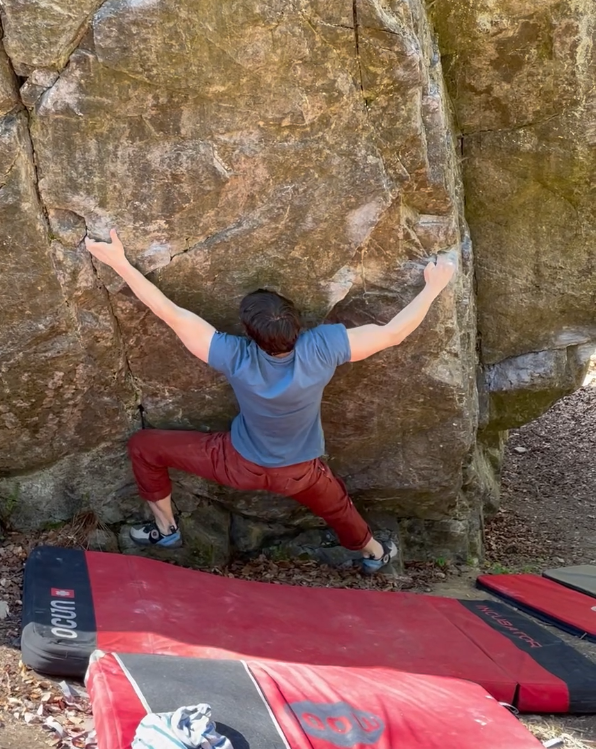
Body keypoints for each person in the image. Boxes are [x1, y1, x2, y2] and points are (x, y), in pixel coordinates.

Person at [85, 230, 458, 573]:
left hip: (237, 464)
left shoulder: (235, 355)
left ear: (249, 332)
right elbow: (393, 333)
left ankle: (166, 529)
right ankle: (375, 553)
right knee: (336, 506)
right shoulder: (322, 347)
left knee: (144, 447)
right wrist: (434, 286)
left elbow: (170, 313)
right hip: (299, 474)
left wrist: (119, 262)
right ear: (297, 323)